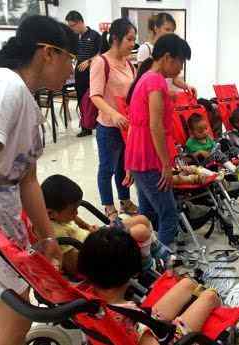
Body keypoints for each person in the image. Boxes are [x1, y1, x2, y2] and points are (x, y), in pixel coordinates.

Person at [0, 15, 76, 345]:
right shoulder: (4, 87)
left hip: (0, 217)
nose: (72, 69)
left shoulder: (24, 97)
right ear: (48, 53)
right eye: (70, 59)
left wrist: (46, 236)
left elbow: (28, 179)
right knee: (13, 322)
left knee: (21, 313)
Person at [78, 227, 221, 345]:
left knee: (188, 283)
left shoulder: (82, 299)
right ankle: (232, 324)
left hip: (134, 321)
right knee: (210, 296)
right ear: (133, 272)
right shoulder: (128, 322)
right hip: (158, 338)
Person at [124, 34, 191, 248]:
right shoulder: (155, 81)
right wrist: (165, 165)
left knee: (147, 215)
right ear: (168, 57)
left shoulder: (147, 77)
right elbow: (155, 126)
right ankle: (160, 266)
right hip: (149, 157)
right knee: (169, 216)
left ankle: (143, 260)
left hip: (138, 155)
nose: (181, 68)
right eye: (181, 61)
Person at [41, 174, 169, 276]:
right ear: (51, 213)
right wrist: (93, 242)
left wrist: (87, 227)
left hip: (96, 239)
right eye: (73, 210)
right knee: (140, 231)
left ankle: (160, 255)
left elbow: (74, 218)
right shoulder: (55, 233)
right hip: (97, 252)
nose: (76, 213)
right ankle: (147, 268)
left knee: (142, 219)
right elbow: (74, 267)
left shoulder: (57, 216)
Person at [90, 18, 138, 221]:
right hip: (109, 126)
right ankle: (109, 206)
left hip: (127, 126)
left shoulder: (129, 64)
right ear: (116, 38)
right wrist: (114, 114)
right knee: (107, 167)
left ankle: (125, 200)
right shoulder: (101, 62)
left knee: (123, 166)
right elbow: (95, 96)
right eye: (129, 39)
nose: (132, 43)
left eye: (134, 39)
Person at [136, 12, 196, 96]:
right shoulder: (146, 49)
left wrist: (187, 87)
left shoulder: (170, 50)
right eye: (167, 29)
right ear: (156, 28)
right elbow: (142, 79)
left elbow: (174, 78)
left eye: (172, 30)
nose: (170, 33)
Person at [65, 11, 102, 138]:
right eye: (69, 26)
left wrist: (89, 61)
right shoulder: (74, 38)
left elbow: (101, 54)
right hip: (79, 73)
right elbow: (72, 53)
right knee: (81, 99)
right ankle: (86, 127)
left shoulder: (95, 35)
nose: (71, 28)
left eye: (73, 25)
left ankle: (97, 124)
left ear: (80, 22)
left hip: (92, 73)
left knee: (93, 99)